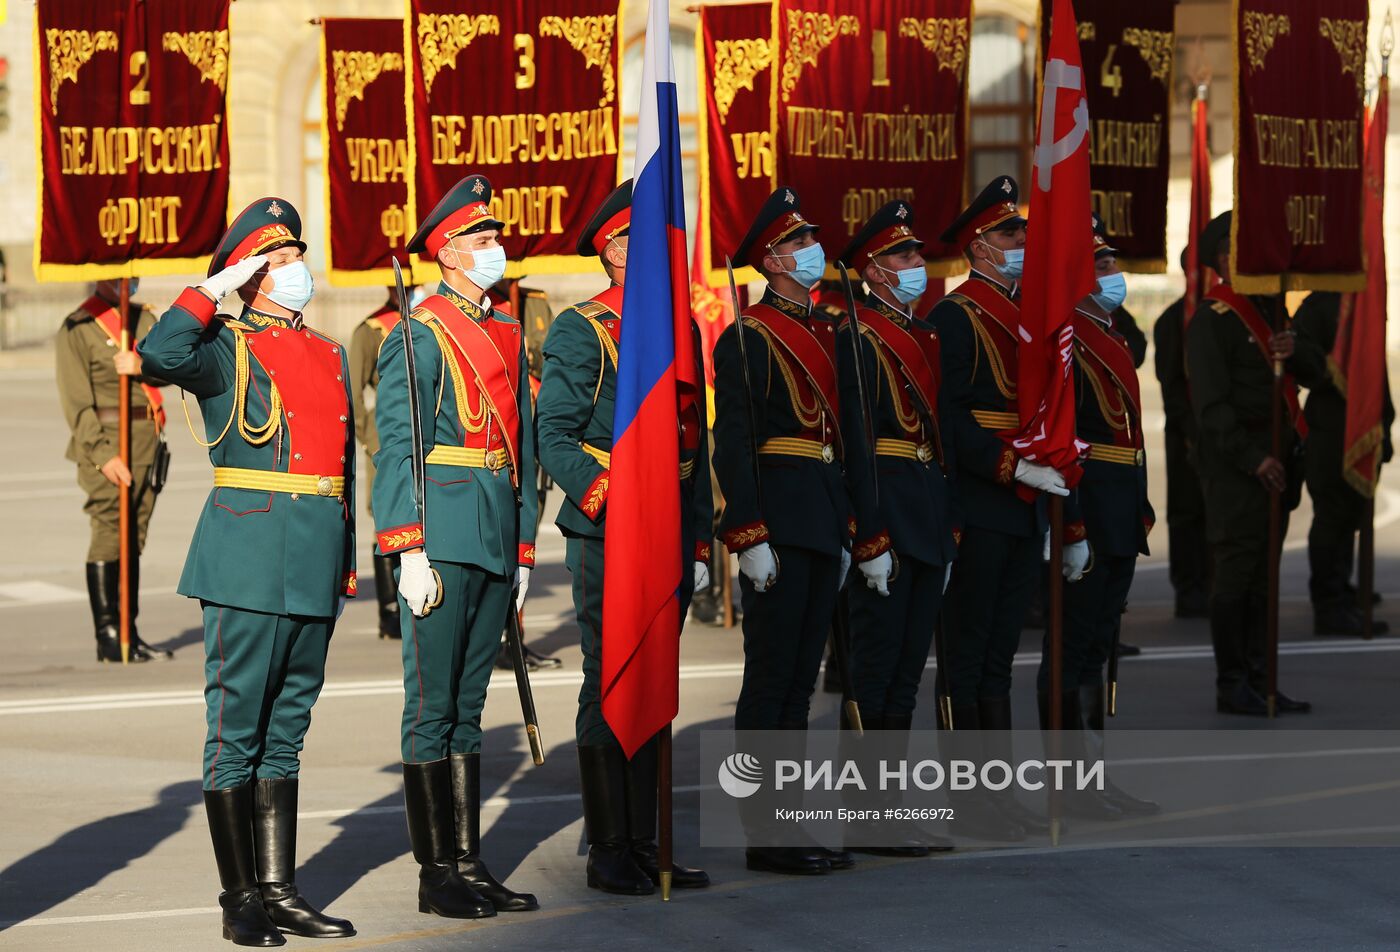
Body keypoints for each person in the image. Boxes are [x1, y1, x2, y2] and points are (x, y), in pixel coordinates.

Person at [137, 198, 356, 945]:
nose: (300, 270)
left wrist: (344, 558)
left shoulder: (328, 352)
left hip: (313, 555)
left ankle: (281, 888)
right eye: (283, 259)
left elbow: (339, 466)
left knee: (287, 731)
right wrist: (212, 290)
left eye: (298, 255)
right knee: (236, 731)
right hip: (248, 557)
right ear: (254, 273)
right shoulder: (225, 348)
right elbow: (160, 355)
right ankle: (241, 899)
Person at [535, 180, 712, 895]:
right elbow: (555, 436)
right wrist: (615, 498)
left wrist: (697, 542)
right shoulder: (584, 329)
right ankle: (609, 848)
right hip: (611, 527)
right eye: (643, 239)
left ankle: (650, 841)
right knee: (610, 673)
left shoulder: (681, 328)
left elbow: (691, 448)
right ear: (611, 249)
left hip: (667, 524)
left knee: (657, 677)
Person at [372, 174, 540, 919]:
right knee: (430, 706)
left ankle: (470, 862)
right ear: (445, 252)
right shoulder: (419, 334)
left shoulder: (506, 332)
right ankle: (435, 870)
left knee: (469, 707)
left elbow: (524, 452)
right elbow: (399, 449)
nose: (494, 250)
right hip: (440, 536)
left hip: (496, 535)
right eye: (481, 240)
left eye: (496, 238)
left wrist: (526, 546)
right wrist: (407, 549)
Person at [711, 186, 854, 875]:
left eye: (811, 240)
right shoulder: (748, 336)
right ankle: (763, 832)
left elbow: (844, 440)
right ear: (770, 259)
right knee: (769, 680)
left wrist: (852, 529)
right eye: (798, 243)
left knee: (801, 682)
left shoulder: (830, 330)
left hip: (824, 519)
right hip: (778, 522)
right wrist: (747, 532)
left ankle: (789, 824)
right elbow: (732, 443)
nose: (812, 252)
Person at [926, 176, 1068, 841]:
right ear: (979, 246)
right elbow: (949, 417)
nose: (1021, 243)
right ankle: (965, 795)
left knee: (999, 654)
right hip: (980, 499)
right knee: (967, 648)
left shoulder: (1024, 312)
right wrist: (1009, 462)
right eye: (1011, 234)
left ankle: (995, 792)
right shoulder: (955, 316)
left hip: (1022, 502)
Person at [835, 201, 958, 856]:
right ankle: (865, 813)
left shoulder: (923, 336)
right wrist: (869, 535)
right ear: (875, 271)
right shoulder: (855, 336)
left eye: (917, 254)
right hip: (887, 518)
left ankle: (889, 808)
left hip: (927, 513)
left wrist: (949, 527)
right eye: (905, 257)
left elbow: (934, 443)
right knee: (875, 670)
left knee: (907, 671)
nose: (919, 266)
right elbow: (857, 442)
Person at [1039, 215, 1158, 819]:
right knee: (1072, 647)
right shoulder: (1067, 339)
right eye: (1103, 266)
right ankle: (1067, 786)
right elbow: (1064, 440)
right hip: (1086, 507)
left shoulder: (1107, 333)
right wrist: (1074, 524)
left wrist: (1137, 504)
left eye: (1113, 264)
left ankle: (1092, 782)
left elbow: (1126, 434)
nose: (1116, 275)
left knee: (1097, 650)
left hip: (1119, 507)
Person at [1185, 211, 1320, 715]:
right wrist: (1253, 458)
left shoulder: (1271, 311)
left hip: (1279, 464)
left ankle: (1264, 680)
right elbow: (1213, 410)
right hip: (1238, 470)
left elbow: (1313, 374)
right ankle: (1232, 681)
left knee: (1266, 578)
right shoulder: (1212, 320)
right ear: (1223, 260)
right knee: (1236, 577)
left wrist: (1295, 347)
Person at [56, 278, 173, 663]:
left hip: (145, 438)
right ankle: (108, 634)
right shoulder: (79, 326)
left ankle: (130, 631)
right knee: (109, 530)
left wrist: (143, 364)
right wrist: (102, 454)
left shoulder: (145, 320)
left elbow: (170, 367)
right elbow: (76, 403)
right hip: (107, 441)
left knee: (134, 535)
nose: (128, 280)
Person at [1292, 291, 1393, 636]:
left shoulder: (1365, 300)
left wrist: (1386, 423)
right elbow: (1303, 366)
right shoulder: (1316, 307)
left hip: (1364, 424)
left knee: (1351, 516)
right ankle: (1328, 603)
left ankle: (1343, 591)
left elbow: (1376, 370)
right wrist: (1332, 368)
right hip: (1330, 428)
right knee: (1331, 517)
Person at [349, 288, 403, 641]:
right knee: (387, 518)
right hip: (387, 437)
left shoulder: (429, 321)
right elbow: (353, 392)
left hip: (432, 435)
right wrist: (371, 437)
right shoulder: (371, 330)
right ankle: (390, 611)